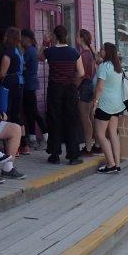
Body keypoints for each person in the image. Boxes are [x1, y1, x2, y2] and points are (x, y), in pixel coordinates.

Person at [40, 25, 85, 165]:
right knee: (71, 120)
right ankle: (73, 155)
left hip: (54, 88)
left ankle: (54, 154)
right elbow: (82, 73)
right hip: (70, 89)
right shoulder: (74, 52)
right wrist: (73, 82)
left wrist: (45, 43)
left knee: (54, 119)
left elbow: (39, 57)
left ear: (54, 36)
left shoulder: (50, 52)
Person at [93, 43, 125, 174]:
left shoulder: (103, 67)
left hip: (105, 105)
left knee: (100, 134)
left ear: (107, 52)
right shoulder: (118, 67)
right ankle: (117, 163)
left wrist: (95, 103)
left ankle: (110, 164)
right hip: (117, 105)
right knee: (113, 133)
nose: (99, 50)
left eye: (101, 49)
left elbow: (100, 87)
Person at [0, 26, 25, 152]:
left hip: (8, 85)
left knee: (5, 113)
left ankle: (11, 148)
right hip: (20, 83)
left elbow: (2, 73)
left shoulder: (8, 52)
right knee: (17, 114)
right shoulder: (19, 51)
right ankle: (23, 145)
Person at [20, 29, 47, 149]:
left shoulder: (29, 51)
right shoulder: (32, 50)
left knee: (33, 112)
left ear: (29, 39)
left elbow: (21, 65)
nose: (21, 40)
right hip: (30, 84)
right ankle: (32, 137)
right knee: (30, 112)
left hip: (28, 84)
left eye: (23, 38)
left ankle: (45, 135)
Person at [76, 29, 99, 156]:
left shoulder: (84, 55)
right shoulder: (90, 54)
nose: (76, 38)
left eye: (77, 36)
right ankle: (95, 144)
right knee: (90, 116)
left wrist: (74, 87)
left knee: (85, 118)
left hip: (84, 86)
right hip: (90, 86)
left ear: (82, 39)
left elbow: (81, 75)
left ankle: (88, 147)